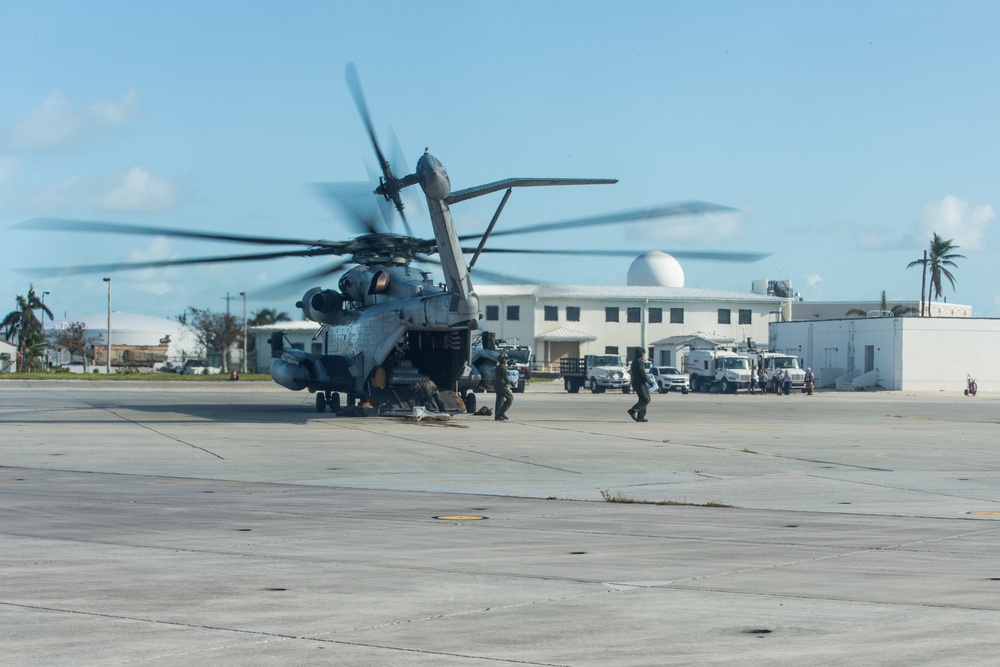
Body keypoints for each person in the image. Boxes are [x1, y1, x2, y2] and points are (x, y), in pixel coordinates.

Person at [627, 348, 650, 422]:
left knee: (642, 399)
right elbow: (642, 373)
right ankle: (633, 410)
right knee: (646, 399)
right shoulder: (640, 362)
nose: (644, 355)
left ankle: (640, 417)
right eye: (644, 354)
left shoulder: (634, 361)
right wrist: (649, 381)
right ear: (641, 354)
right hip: (640, 383)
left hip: (635, 382)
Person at [494, 352, 514, 421]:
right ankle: (501, 413)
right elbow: (505, 377)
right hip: (501, 385)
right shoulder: (503, 367)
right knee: (510, 398)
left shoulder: (498, 366)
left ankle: (497, 415)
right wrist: (511, 383)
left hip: (496, 385)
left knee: (499, 400)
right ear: (503, 360)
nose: (507, 360)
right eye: (506, 359)